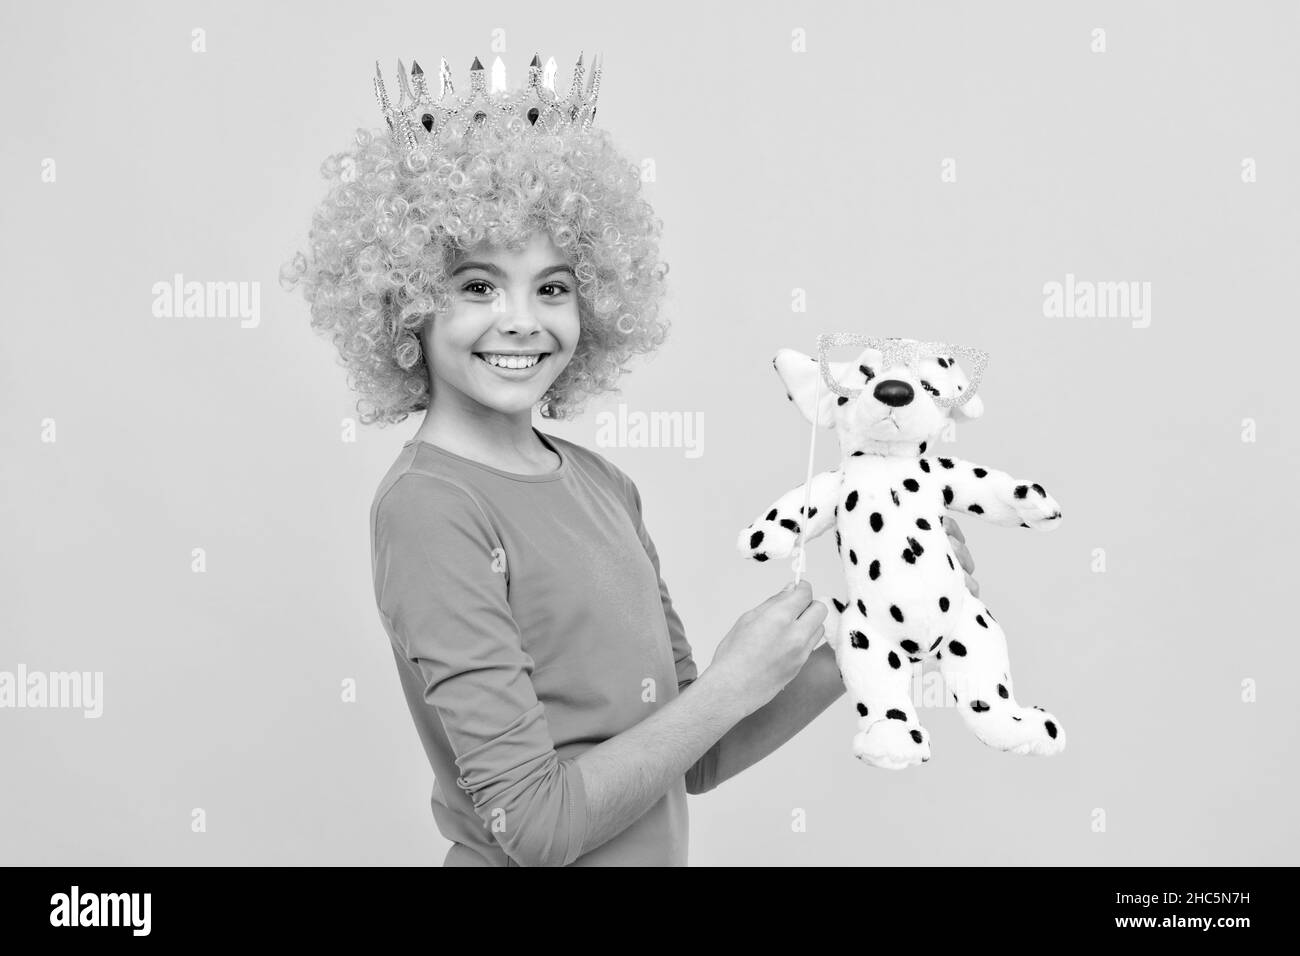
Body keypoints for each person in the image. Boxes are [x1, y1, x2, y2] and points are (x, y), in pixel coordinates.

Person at [282, 53, 975, 865]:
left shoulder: (603, 485)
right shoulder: (430, 509)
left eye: (552, 287)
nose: (520, 321)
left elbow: (699, 754)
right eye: (476, 286)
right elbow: (534, 828)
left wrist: (874, 629)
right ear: (407, 302)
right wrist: (727, 685)